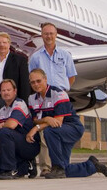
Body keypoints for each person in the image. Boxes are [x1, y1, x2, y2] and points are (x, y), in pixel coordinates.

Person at [26, 69, 107, 179]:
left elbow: (57, 122)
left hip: (72, 128)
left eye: (38, 81)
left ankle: (57, 167)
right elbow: (35, 119)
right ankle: (92, 165)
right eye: (32, 82)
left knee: (49, 131)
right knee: (65, 169)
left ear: (45, 79)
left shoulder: (59, 94)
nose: (36, 84)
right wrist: (46, 119)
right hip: (58, 132)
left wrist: (36, 128)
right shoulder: (32, 99)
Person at [28, 22, 77, 176]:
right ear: (41, 35)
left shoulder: (65, 55)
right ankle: (45, 167)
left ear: (56, 35)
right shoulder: (35, 57)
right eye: (45, 33)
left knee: (60, 129)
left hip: (61, 97)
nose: (48, 36)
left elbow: (71, 77)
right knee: (45, 130)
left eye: (51, 33)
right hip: (44, 97)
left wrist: (60, 92)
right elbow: (33, 77)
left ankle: (61, 164)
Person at [0, 32, 30, 157]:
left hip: (14, 102)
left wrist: (24, 104)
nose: (1, 45)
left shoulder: (20, 60)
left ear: (9, 44)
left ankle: (15, 162)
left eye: (4, 42)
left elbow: (25, 84)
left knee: (13, 131)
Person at [0, 79, 39, 180]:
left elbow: (12, 125)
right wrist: (0, 130)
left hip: (28, 145)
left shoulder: (19, 103)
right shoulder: (1, 111)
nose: (6, 92)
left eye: (9, 90)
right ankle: (26, 165)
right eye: (3, 90)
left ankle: (10, 169)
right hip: (13, 150)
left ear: (15, 91)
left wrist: (2, 126)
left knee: (4, 131)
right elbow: (0, 137)